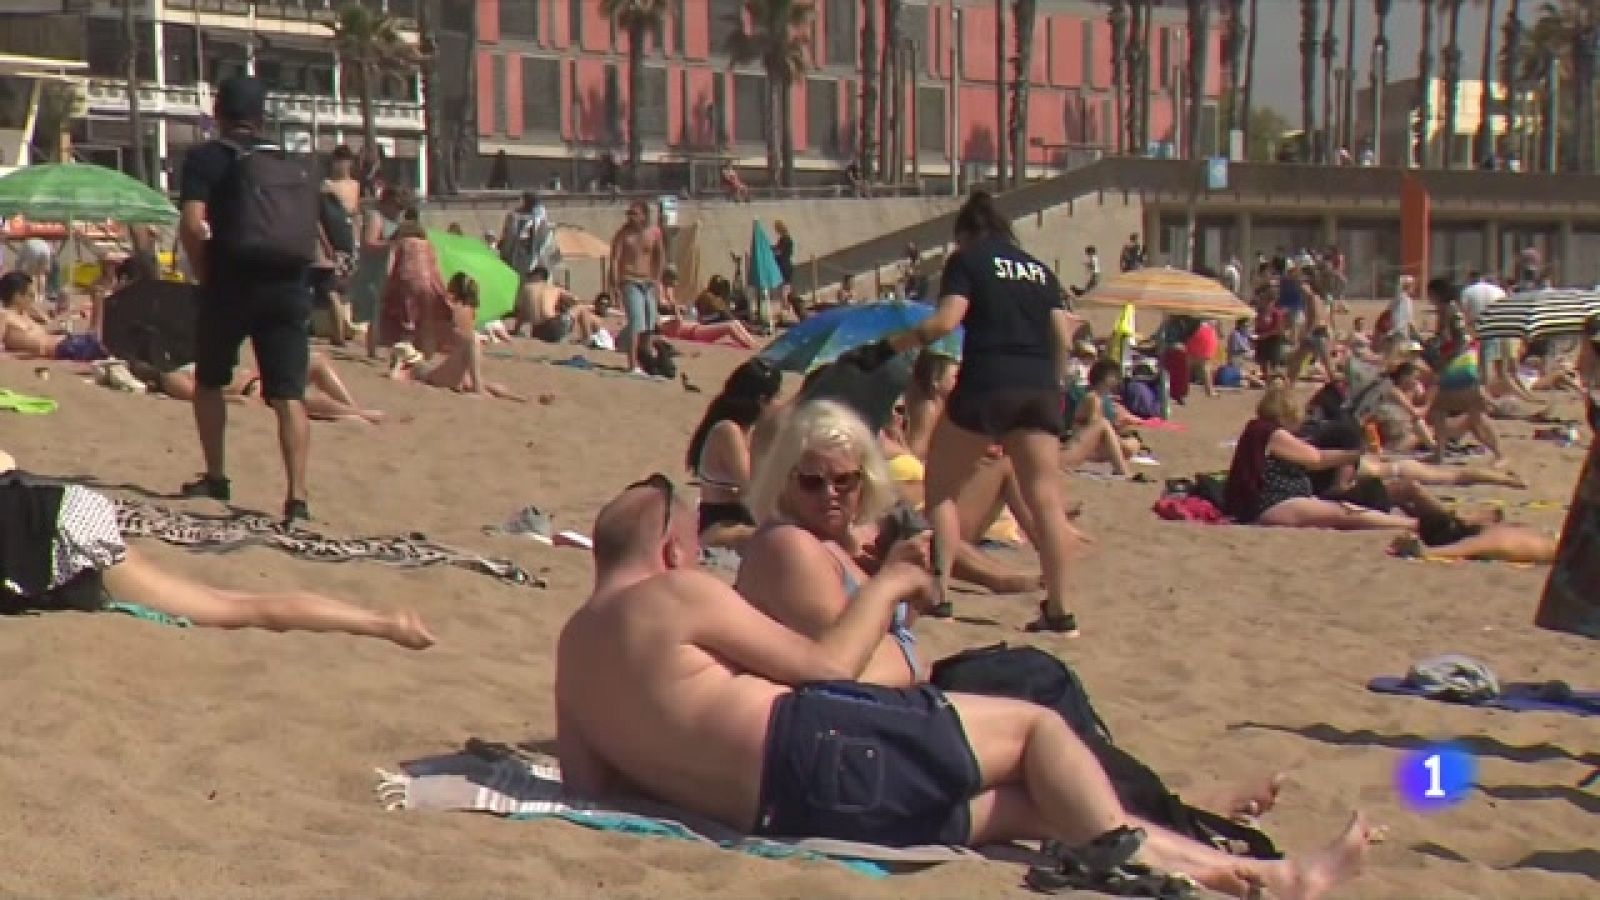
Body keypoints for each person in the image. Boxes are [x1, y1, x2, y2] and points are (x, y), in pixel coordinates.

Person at [555, 476, 1378, 900]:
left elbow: (593, 787)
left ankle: (1246, 880)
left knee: (1031, 808)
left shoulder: (572, 652)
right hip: (813, 749)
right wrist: (888, 590)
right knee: (1035, 729)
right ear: (670, 552)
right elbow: (823, 670)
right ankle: (1169, 869)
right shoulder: (674, 595)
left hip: (784, 813)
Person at [841, 191, 1085, 633]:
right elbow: (1061, 337)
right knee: (1046, 500)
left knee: (941, 490)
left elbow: (944, 322)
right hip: (1038, 388)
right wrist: (1056, 388)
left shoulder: (969, 261)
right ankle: (1060, 611)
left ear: (966, 233)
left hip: (987, 383)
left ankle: (941, 596)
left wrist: (885, 349)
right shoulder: (1040, 271)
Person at [0, 461, 432, 648]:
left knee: (229, 608)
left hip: (60, 535)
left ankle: (382, 624)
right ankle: (378, 620)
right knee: (226, 600)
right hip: (56, 506)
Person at [177, 75, 317, 524]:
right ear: (260, 117)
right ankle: (297, 497)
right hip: (288, 285)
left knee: (210, 381)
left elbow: (192, 223)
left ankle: (217, 476)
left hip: (230, 284)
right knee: (289, 395)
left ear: (219, 113)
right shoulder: (287, 160)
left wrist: (203, 271)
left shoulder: (205, 159)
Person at [1223, 380, 1415, 530]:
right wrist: (1357, 454)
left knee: (1344, 510)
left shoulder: (1258, 429)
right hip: (1272, 504)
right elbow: (1317, 459)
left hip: (1271, 502)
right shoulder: (1273, 433)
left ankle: (1410, 523)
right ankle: (1412, 525)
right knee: (1343, 513)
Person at [685, 358, 783, 546]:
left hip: (734, 518)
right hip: (719, 522)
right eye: (777, 396)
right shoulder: (728, 431)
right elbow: (752, 487)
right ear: (762, 401)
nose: (780, 403)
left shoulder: (744, 430)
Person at [139, 351, 384, 425]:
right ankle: (359, 415)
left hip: (257, 377)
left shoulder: (186, 361)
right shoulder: (171, 377)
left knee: (317, 361)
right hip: (251, 390)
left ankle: (354, 408)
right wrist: (241, 399)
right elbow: (202, 397)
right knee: (296, 397)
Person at [387, 275, 526, 402]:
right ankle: (486, 391)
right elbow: (395, 376)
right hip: (442, 375)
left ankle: (513, 396)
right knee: (473, 347)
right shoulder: (410, 368)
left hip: (444, 373)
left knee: (482, 377)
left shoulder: (415, 362)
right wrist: (399, 364)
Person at [1424, 278, 1506, 467]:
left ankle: (1500, 454)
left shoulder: (1451, 311)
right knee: (1439, 410)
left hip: (1460, 366)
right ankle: (1439, 453)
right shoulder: (1448, 310)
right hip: (1457, 365)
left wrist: (1445, 355)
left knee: (1474, 413)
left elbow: (1460, 339)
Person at [348, 186, 409, 359]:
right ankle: (372, 351)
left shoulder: (393, 220)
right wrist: (392, 244)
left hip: (385, 270)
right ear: (388, 202)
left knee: (382, 312)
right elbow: (369, 243)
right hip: (372, 271)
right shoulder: (376, 216)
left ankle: (377, 349)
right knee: (375, 312)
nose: (399, 211)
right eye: (398, 206)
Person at [609, 201, 666, 375]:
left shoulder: (654, 232)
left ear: (644, 215)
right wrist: (615, 284)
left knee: (649, 324)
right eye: (629, 214)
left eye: (634, 214)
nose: (631, 217)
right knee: (636, 323)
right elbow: (615, 259)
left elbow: (660, 256)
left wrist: (657, 279)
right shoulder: (623, 234)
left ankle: (646, 361)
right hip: (629, 280)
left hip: (648, 282)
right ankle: (632, 364)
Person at [0, 272, 109, 361]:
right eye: (30, 295)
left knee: (103, 342)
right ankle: (98, 301)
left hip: (68, 343)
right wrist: (18, 356)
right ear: (17, 296)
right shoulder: (4, 315)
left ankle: (98, 301)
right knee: (103, 345)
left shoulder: (23, 314)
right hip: (64, 348)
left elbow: (46, 320)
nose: (32, 300)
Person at [379, 212, 447, 354]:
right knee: (427, 320)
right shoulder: (428, 245)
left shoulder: (400, 243)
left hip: (407, 282)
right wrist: (442, 290)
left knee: (408, 319)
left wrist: (386, 285)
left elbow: (389, 265)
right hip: (428, 283)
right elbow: (435, 269)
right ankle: (427, 353)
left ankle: (405, 350)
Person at [516, 266, 604, 344]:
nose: (529, 278)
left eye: (531, 276)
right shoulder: (554, 288)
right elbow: (575, 300)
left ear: (537, 276)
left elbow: (522, 312)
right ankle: (587, 338)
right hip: (554, 328)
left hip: (537, 333)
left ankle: (591, 334)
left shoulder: (526, 288)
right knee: (581, 308)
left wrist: (516, 330)